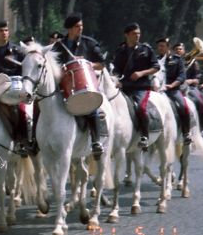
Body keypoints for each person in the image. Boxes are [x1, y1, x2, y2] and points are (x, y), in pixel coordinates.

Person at [52, 13, 107, 158]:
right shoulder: (58, 46)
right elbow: (53, 66)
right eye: (77, 26)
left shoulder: (89, 43)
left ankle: (96, 142)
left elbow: (101, 64)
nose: (80, 28)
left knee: (92, 108)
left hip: (84, 86)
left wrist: (88, 63)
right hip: (64, 86)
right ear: (69, 29)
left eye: (81, 26)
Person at [0, 20, 33, 156]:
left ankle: (22, 141)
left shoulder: (18, 51)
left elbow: (26, 69)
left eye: (6, 30)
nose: (4, 33)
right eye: (1, 31)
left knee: (21, 111)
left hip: (14, 88)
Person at [112, 22, 160, 149]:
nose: (137, 36)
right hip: (125, 87)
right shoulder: (120, 51)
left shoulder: (146, 49)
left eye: (138, 34)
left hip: (141, 87)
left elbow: (156, 67)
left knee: (140, 108)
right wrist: (117, 79)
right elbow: (116, 69)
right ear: (126, 35)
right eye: (134, 34)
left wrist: (141, 73)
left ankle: (144, 135)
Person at [156, 38, 192, 145]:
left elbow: (181, 76)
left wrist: (172, 85)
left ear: (168, 47)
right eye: (159, 46)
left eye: (162, 46)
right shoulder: (155, 60)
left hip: (173, 90)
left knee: (184, 106)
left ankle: (186, 133)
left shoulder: (176, 59)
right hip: (158, 90)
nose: (160, 48)